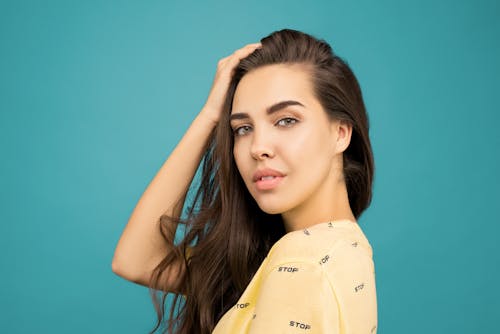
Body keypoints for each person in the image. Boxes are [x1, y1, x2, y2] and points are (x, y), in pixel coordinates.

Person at [112, 28, 377, 334]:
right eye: (242, 128)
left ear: (340, 133)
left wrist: (210, 116)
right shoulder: (343, 251)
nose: (258, 147)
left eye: (286, 120)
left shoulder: (304, 261)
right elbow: (136, 261)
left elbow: (135, 261)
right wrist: (211, 115)